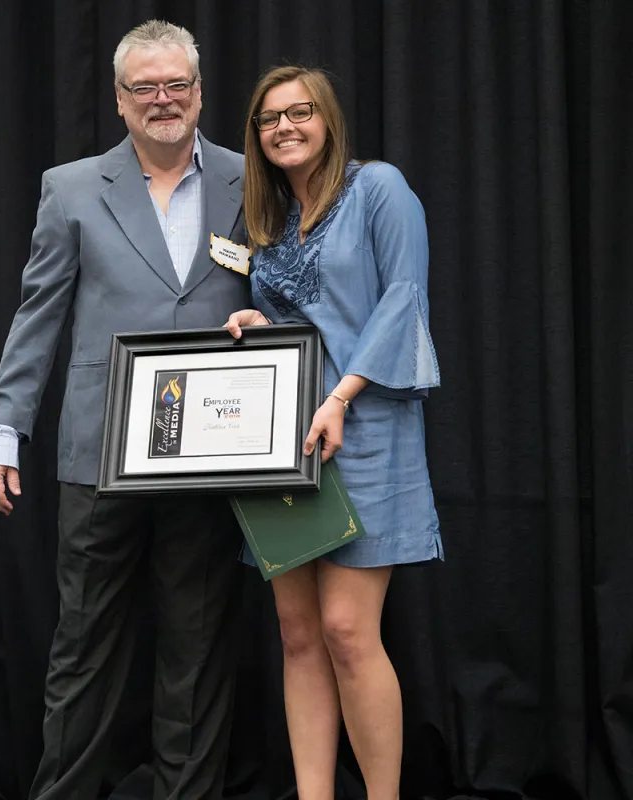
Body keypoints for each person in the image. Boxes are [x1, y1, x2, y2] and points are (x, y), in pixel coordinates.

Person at [0, 20, 251, 800]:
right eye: (145, 87)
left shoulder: (248, 177)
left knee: (197, 653)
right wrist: (5, 428)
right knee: (85, 648)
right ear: (120, 98)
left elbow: (280, 291)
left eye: (177, 85)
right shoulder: (70, 186)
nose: (162, 100)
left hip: (211, 451)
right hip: (99, 452)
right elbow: (39, 316)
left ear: (198, 93)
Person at [225, 66, 443, 800]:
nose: (283, 127)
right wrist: (263, 324)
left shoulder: (378, 187)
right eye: (268, 119)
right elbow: (308, 325)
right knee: (297, 634)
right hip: (284, 439)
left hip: (365, 427)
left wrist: (344, 394)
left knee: (349, 631)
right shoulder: (272, 219)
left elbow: (402, 297)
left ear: (328, 119)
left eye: (299, 112)